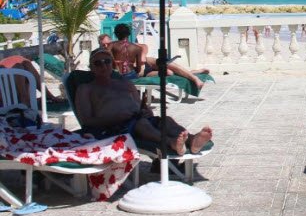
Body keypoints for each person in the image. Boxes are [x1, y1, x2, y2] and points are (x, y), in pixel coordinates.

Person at [76, 48, 213, 154]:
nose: (103, 66)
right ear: (91, 67)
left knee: (167, 120)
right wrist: (115, 117)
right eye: (98, 63)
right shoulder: (86, 89)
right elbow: (86, 121)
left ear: (112, 64)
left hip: (136, 119)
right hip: (112, 128)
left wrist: (146, 111)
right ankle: (171, 143)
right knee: (141, 125)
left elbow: (142, 107)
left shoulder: (125, 84)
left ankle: (192, 141)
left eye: (107, 62)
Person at [0, 55, 64, 105]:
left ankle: (47, 95)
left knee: (22, 65)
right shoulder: (19, 62)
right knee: (20, 65)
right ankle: (47, 96)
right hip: (11, 102)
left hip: (10, 100)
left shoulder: (16, 62)